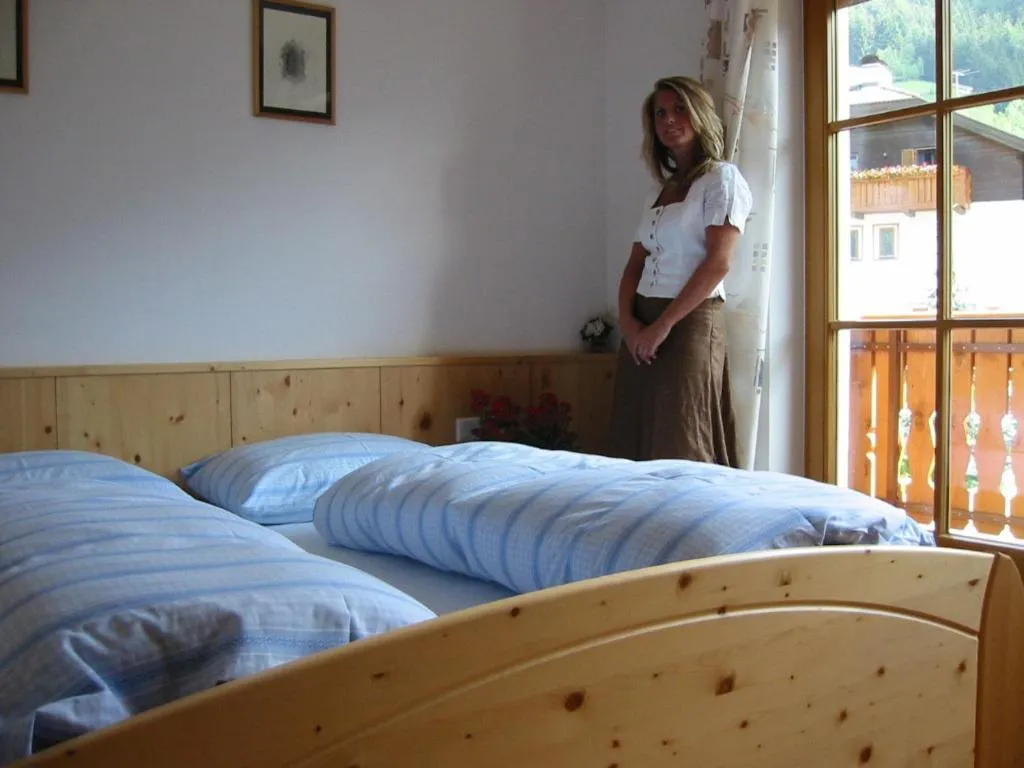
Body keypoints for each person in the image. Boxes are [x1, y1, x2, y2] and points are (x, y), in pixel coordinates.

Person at [608, 75, 752, 466]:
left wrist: (663, 326)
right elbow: (634, 265)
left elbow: (718, 262)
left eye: (679, 109)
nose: (669, 119)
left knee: (683, 434)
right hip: (643, 320)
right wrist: (631, 325)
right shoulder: (660, 191)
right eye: (660, 113)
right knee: (633, 430)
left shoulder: (722, 179)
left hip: (688, 321)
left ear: (700, 114)